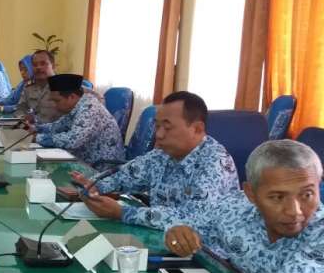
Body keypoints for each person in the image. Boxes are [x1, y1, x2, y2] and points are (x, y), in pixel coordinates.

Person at [155, 139, 324, 273]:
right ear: (250, 193)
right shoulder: (234, 207)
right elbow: (191, 227)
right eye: (277, 197)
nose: (295, 211)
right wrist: (177, 234)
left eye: (307, 195)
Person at [74, 91, 239, 230]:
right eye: (157, 126)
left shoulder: (215, 163)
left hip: (204, 254)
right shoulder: (162, 154)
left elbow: (192, 219)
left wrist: (123, 213)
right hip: (161, 237)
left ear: (197, 129)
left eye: (167, 127)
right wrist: (96, 186)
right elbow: (126, 175)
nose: (159, 135)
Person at [32, 73, 125, 170]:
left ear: (71, 97)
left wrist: (38, 138)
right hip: (84, 160)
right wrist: (36, 129)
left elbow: (73, 140)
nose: (55, 106)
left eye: (57, 101)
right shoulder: (77, 106)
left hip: (101, 168)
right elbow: (58, 126)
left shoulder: (90, 108)